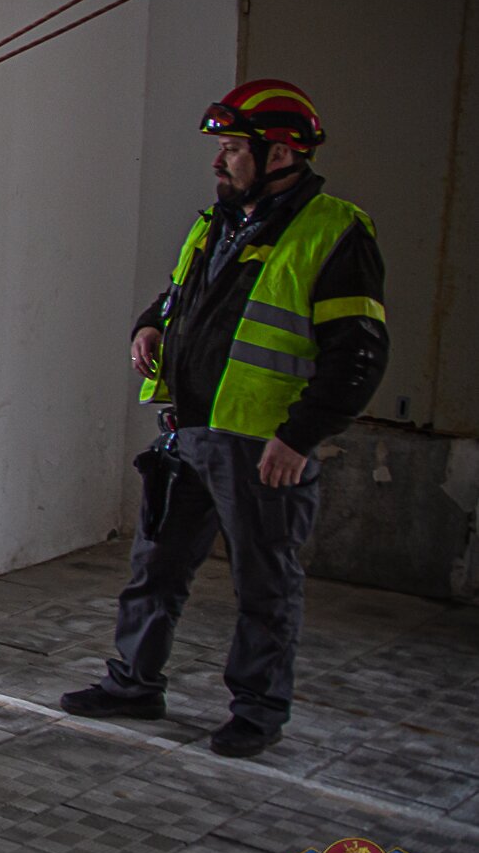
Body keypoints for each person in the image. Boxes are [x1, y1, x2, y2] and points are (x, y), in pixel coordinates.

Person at [63, 80, 386, 758]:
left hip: (260, 444)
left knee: (265, 584)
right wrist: (151, 324)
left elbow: (357, 353)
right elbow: (182, 296)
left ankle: (258, 710)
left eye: (234, 149)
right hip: (188, 432)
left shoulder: (334, 232)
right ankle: (134, 682)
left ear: (279, 156)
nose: (220, 162)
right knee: (156, 565)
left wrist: (299, 437)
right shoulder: (217, 223)